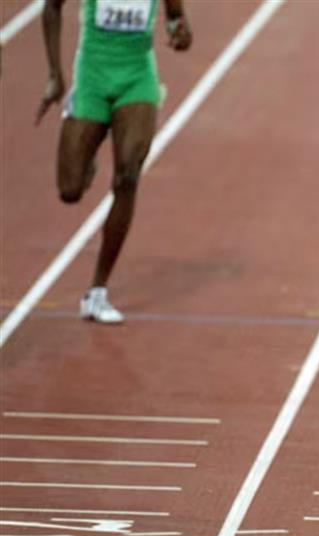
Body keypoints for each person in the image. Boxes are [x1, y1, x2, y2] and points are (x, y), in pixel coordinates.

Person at [36, 0, 192, 323]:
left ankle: (97, 291)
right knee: (69, 190)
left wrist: (181, 34)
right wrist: (54, 74)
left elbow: (177, 18)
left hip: (137, 77)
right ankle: (90, 142)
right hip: (92, 75)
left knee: (127, 176)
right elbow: (52, 8)